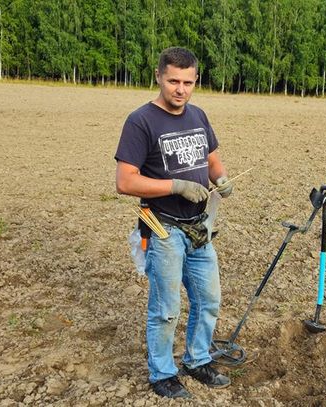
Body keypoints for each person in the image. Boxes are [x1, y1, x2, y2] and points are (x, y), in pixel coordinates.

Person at [114, 47, 232, 399]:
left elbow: (211, 158)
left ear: (196, 81)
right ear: (158, 77)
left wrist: (221, 178)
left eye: (188, 82)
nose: (180, 89)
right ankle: (162, 373)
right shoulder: (140, 121)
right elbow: (125, 182)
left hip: (200, 227)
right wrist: (175, 185)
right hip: (163, 227)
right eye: (173, 81)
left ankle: (197, 360)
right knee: (166, 309)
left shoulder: (198, 115)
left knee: (208, 299)